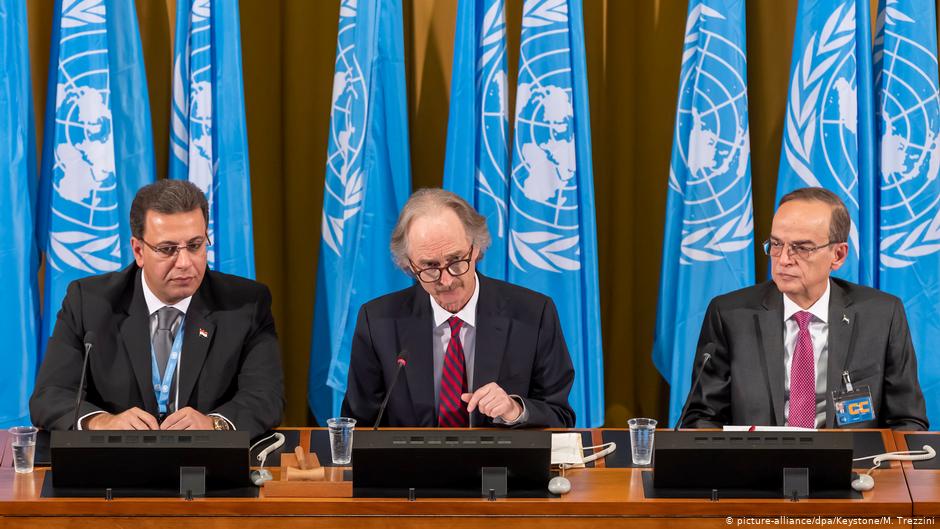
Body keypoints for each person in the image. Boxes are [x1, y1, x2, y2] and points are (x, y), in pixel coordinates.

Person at [30, 180, 284, 438]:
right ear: (139, 251)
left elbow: (266, 397)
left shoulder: (246, 304)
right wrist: (102, 422)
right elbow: (50, 397)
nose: (185, 263)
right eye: (167, 249)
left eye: (195, 245)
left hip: (207, 466)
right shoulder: (89, 303)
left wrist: (214, 425)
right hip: (117, 468)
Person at [681, 187, 928, 430]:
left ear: (838, 255)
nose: (784, 259)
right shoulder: (730, 315)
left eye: (801, 248)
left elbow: (907, 421)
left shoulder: (882, 315)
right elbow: (703, 416)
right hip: (755, 466)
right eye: (776, 245)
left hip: (854, 467)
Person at [341, 188, 576, 428]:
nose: (446, 280)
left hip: (502, 465)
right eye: (429, 267)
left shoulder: (533, 314)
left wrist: (514, 409)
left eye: (456, 261)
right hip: (412, 465)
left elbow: (560, 417)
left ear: (475, 249)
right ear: (409, 265)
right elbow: (358, 427)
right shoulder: (377, 322)